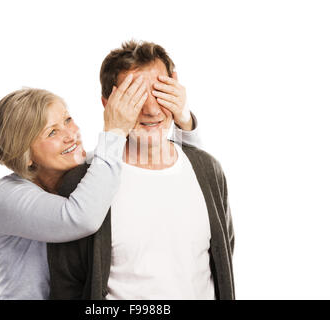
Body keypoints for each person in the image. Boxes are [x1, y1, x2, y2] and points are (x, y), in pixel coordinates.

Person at [47, 40, 235, 300]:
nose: (152, 110)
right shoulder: (79, 185)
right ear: (108, 103)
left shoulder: (208, 170)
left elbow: (223, 257)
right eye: (135, 97)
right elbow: (66, 285)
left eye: (159, 92)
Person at [0, 82, 200, 297]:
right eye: (52, 133)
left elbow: (180, 171)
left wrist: (184, 120)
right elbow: (80, 218)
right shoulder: (4, 196)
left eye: (68, 120)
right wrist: (115, 130)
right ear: (26, 154)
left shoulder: (92, 172)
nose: (71, 134)